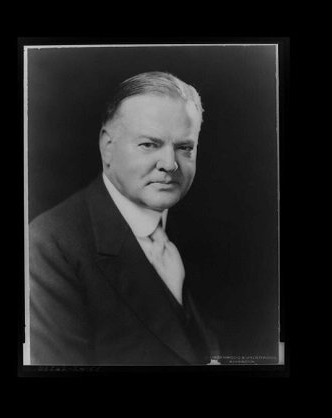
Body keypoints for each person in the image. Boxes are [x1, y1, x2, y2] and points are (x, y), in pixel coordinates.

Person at [28, 71, 220, 366]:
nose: (170, 165)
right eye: (149, 144)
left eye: (185, 148)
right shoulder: (49, 245)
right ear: (108, 146)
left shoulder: (199, 232)